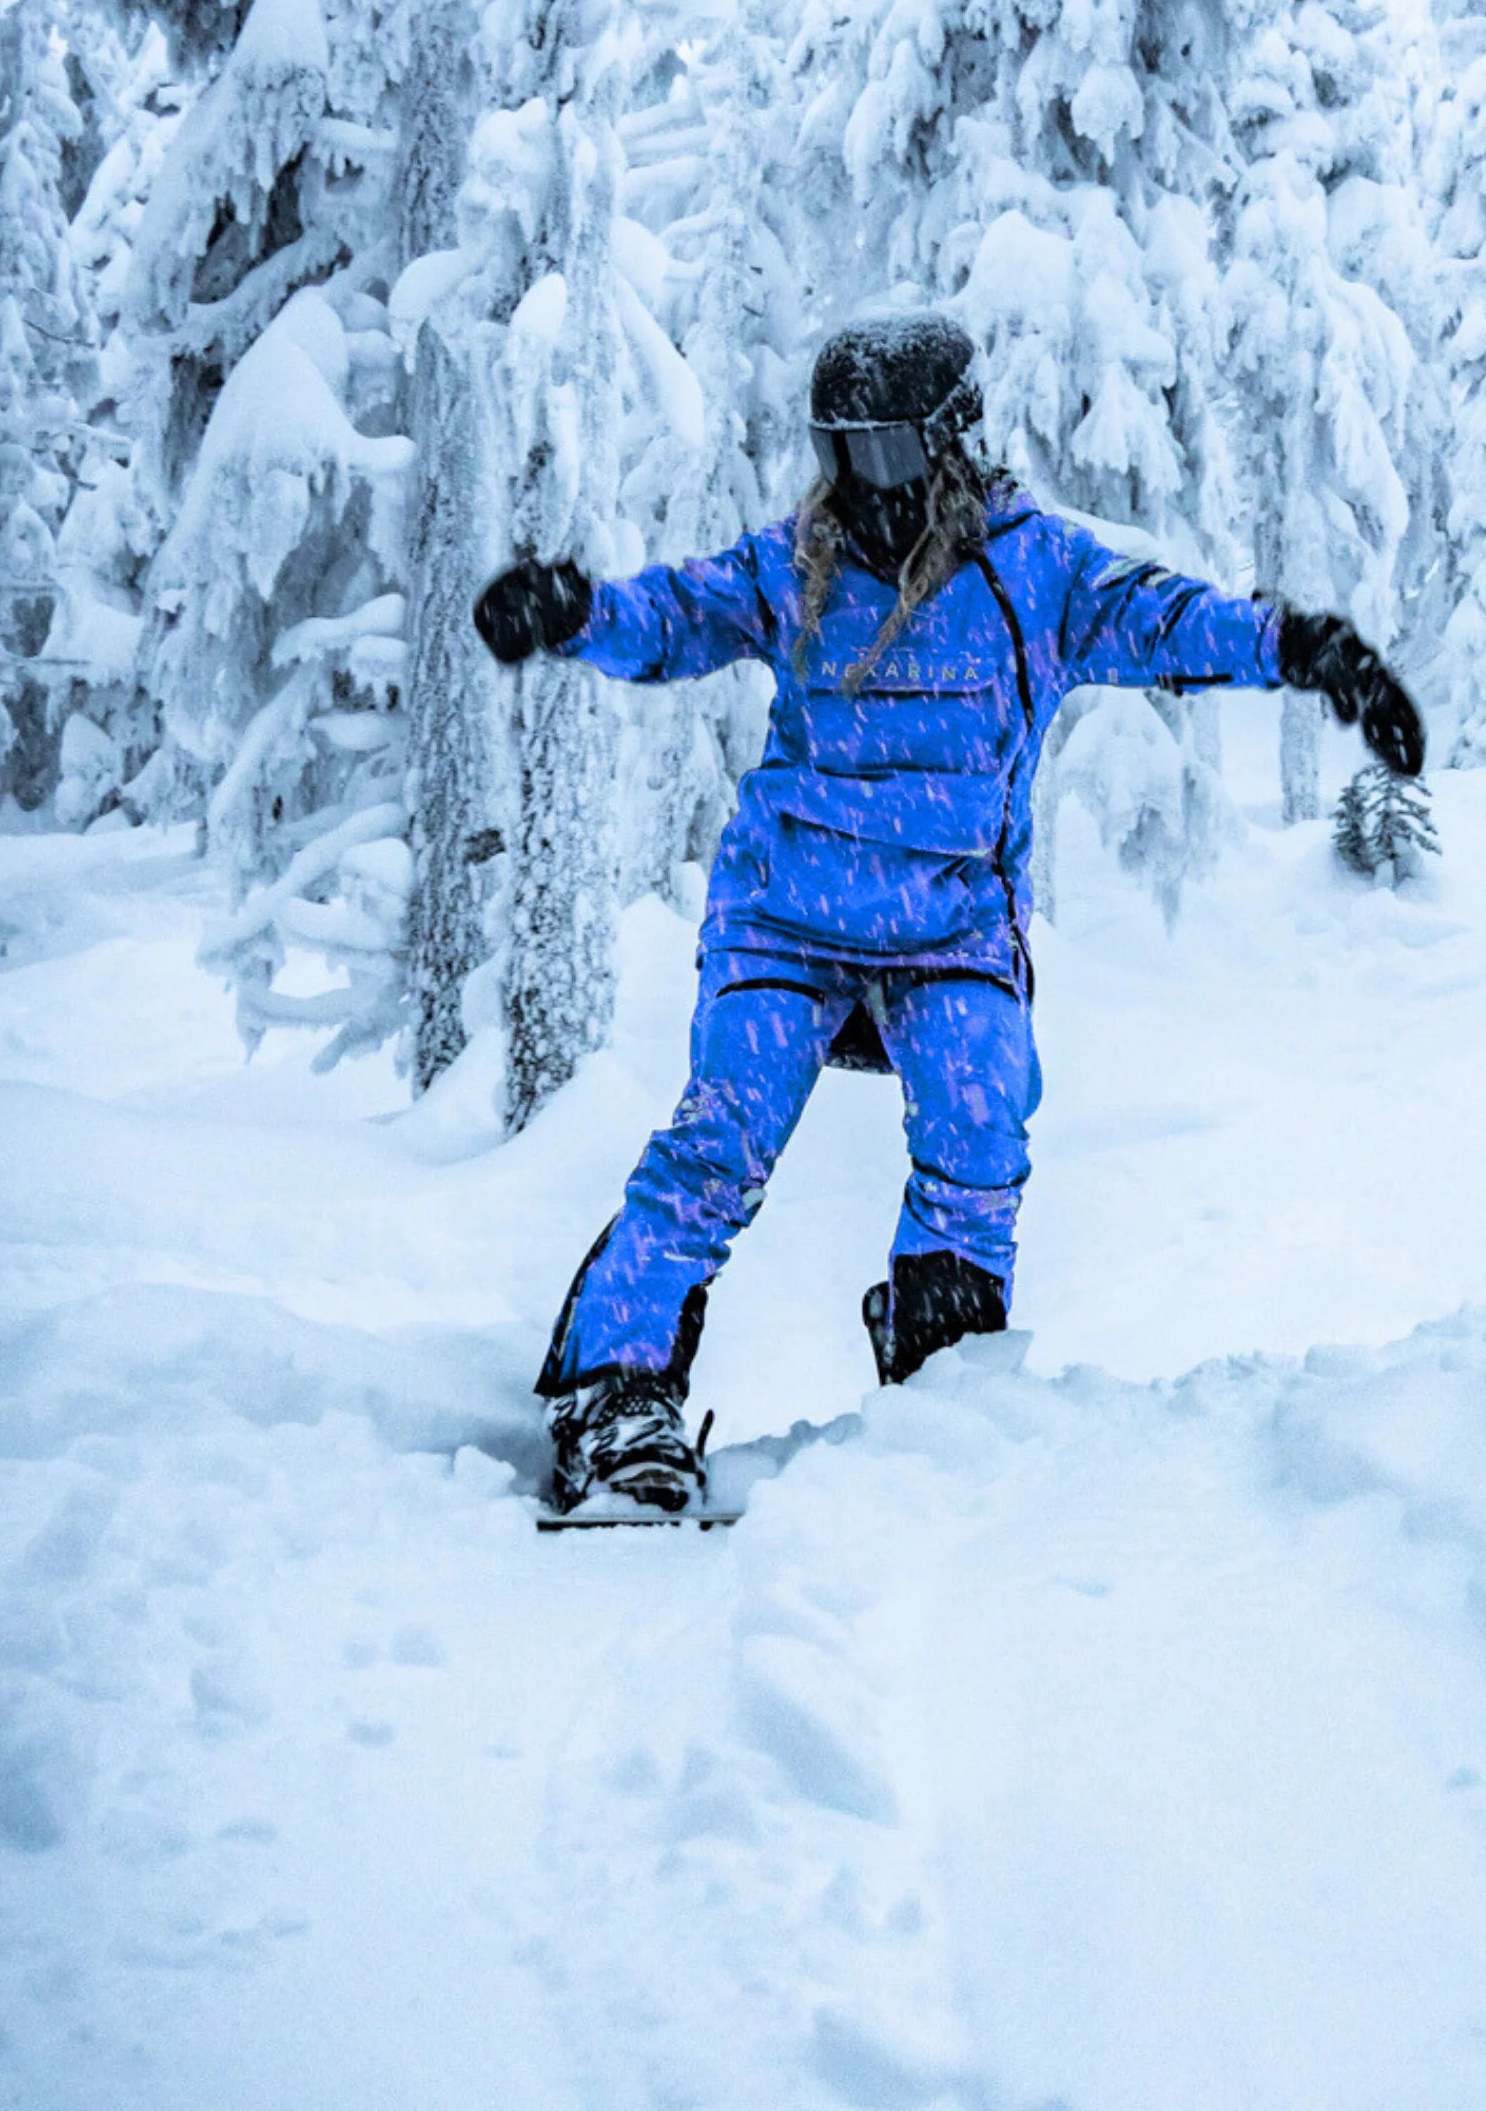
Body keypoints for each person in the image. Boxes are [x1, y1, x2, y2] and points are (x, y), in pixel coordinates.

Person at [474, 315, 1423, 1514]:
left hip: (947, 928)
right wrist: (575, 614)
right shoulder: (797, 565)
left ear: (949, 442)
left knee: (980, 1116)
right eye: (839, 453)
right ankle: (612, 1394)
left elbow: (1169, 620)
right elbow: (674, 615)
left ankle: (943, 1366)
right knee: (722, 1135)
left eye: (884, 452)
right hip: (787, 916)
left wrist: (1307, 651)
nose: (862, 486)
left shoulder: (1031, 573)